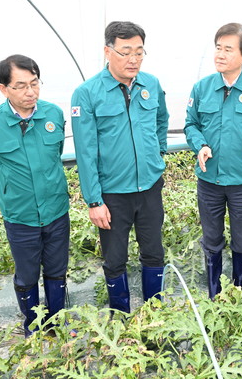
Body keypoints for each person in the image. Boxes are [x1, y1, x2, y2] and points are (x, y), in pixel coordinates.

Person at [70, 21, 169, 312]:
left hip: (149, 186)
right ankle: (121, 315)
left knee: (154, 252)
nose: (133, 59)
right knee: (115, 259)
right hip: (113, 193)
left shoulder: (151, 84)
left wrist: (158, 153)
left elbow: (161, 120)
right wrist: (94, 200)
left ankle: (155, 311)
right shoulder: (87, 93)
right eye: (125, 52)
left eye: (139, 52)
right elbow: (85, 151)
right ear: (107, 51)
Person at [0, 55, 70, 337]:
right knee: (27, 274)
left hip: (55, 209)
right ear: (3, 89)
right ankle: (33, 326)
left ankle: (56, 322)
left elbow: (56, 154)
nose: (30, 92)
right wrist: (12, 188)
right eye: (20, 86)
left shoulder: (53, 114)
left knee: (57, 269)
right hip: (20, 215)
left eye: (34, 83)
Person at [184, 23, 242, 299]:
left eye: (228, 49)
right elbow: (191, 124)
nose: (220, 54)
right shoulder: (202, 88)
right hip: (209, 180)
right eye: (218, 48)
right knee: (211, 238)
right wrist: (200, 145)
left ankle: (239, 291)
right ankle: (214, 294)